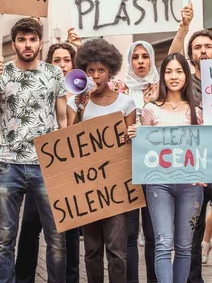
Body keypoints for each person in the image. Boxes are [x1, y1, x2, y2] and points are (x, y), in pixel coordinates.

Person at [0, 18, 67, 283]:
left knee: (56, 237)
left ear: (40, 42)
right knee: (5, 237)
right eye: (22, 39)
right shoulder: (0, 71)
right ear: (14, 43)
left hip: (47, 164)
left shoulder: (54, 73)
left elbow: (62, 121)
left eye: (32, 39)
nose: (27, 45)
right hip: (9, 165)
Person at [67, 38, 136, 283]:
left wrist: (132, 136)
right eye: (91, 71)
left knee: (117, 251)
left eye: (101, 71)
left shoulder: (126, 103)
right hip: (87, 187)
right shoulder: (74, 103)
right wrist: (81, 109)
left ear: (111, 71)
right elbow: (68, 142)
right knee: (92, 250)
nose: (96, 76)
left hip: (116, 186)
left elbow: (130, 147)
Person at [15, 42, 80, 283]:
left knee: (70, 229)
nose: (62, 65)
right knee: (31, 224)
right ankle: (23, 278)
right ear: (48, 64)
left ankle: (69, 278)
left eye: (66, 60)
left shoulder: (84, 93)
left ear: (73, 64)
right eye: (57, 60)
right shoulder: (39, 89)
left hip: (73, 172)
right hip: (42, 167)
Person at [138, 52, 204, 283]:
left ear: (186, 75)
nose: (174, 76)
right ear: (162, 76)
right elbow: (143, 148)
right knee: (163, 242)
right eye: (168, 71)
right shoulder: (150, 110)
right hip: (159, 184)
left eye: (179, 71)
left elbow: (204, 148)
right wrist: (135, 135)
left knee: (185, 245)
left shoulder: (198, 111)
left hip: (191, 184)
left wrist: (205, 169)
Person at [169, 20, 212, 283]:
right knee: (193, 229)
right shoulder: (184, 83)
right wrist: (183, 30)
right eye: (198, 47)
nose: (203, 51)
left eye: (208, 47)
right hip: (195, 165)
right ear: (191, 55)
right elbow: (171, 58)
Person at [111, 41, 159, 283]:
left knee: (152, 233)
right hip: (125, 167)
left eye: (145, 56)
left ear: (151, 59)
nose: (140, 61)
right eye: (135, 57)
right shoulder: (117, 89)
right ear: (129, 61)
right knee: (129, 233)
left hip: (154, 166)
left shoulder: (161, 87)